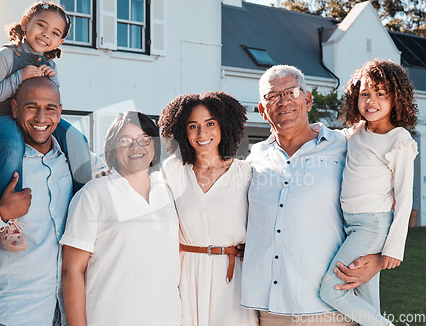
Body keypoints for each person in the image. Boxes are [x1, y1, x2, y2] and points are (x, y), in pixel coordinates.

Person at [0, 77, 105, 326]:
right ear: (14, 108)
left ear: (60, 112)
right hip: (13, 314)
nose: (41, 117)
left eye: (50, 108)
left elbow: (123, 176)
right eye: (31, 107)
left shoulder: (75, 159)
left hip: (68, 311)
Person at [242, 65, 384, 325]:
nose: (283, 101)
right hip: (271, 307)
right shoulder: (254, 159)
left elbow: (382, 207)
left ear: (307, 100)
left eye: (291, 92)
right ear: (263, 111)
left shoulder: (347, 148)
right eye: (272, 96)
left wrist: (379, 258)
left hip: (329, 306)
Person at [0, 1, 92, 252]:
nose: (46, 34)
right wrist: (20, 77)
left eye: (55, 33)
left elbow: (51, 102)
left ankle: (83, 208)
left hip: (34, 118)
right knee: (12, 142)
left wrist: (49, 81)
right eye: (41, 25)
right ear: (24, 24)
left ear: (59, 42)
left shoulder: (51, 65)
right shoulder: (6, 55)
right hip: (0, 117)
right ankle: (7, 220)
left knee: (77, 140)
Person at [319, 60, 418, 326]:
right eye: (365, 94)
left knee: (332, 288)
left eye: (380, 94)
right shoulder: (356, 132)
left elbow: (405, 198)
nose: (371, 101)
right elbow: (329, 137)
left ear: (396, 99)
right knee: (367, 302)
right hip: (349, 224)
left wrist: (393, 250)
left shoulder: (399, 140)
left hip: (372, 225)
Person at [61, 111, 181, 326]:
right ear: (113, 148)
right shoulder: (94, 194)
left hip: (166, 318)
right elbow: (72, 271)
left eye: (144, 139)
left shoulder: (168, 192)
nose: (136, 148)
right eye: (125, 141)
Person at [159, 92, 259, 326]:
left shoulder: (246, 173)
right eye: (193, 126)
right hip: (185, 274)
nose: (202, 134)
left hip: (232, 277)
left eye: (210, 124)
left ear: (225, 125)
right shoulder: (173, 170)